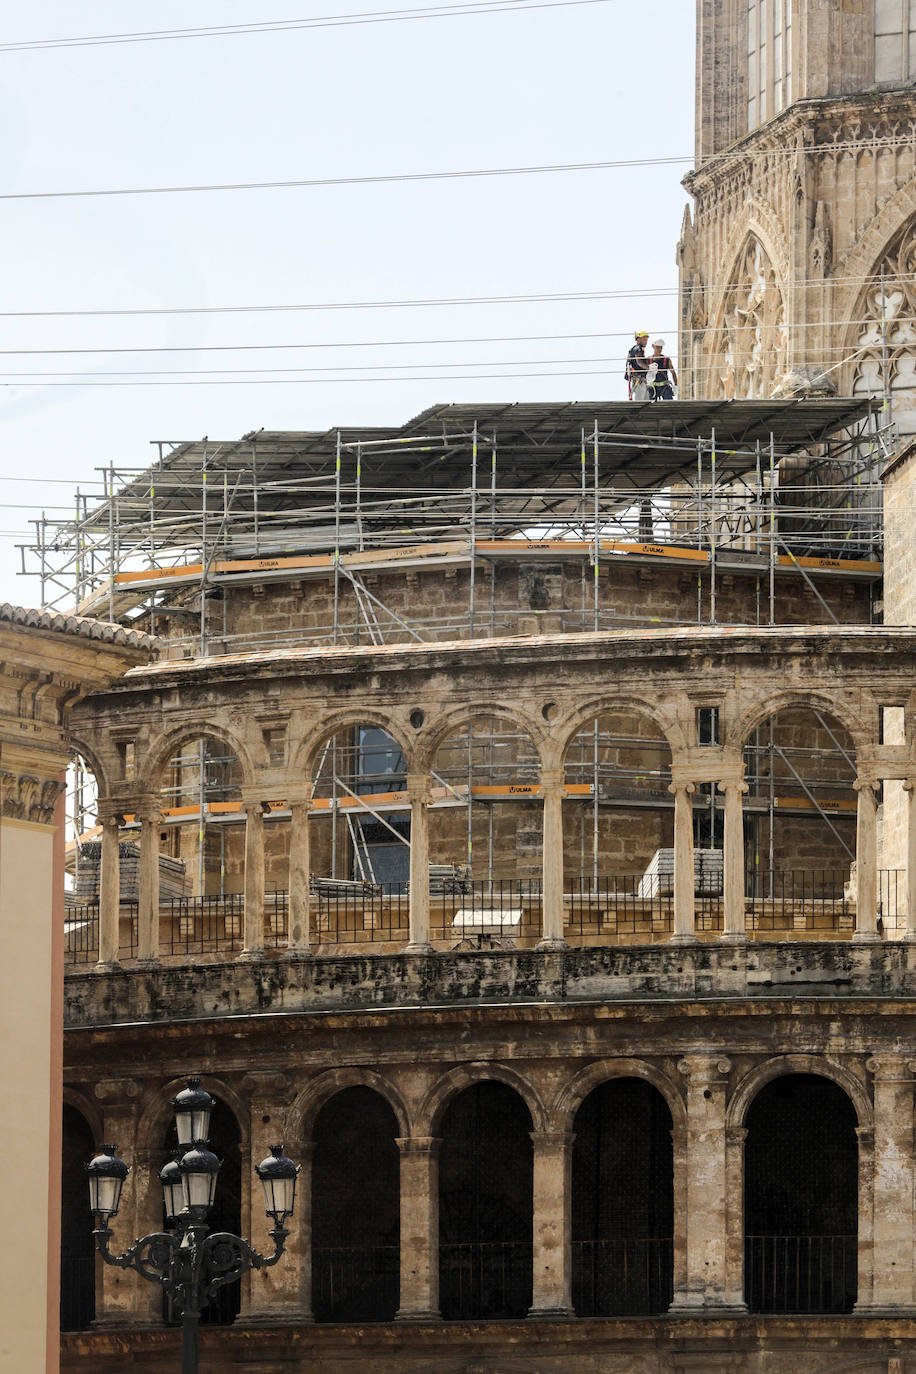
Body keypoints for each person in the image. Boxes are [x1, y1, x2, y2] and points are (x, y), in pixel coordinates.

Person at [625, 330, 650, 400]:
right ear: (638, 339)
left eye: (646, 340)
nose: (646, 341)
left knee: (646, 400)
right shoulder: (637, 349)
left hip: (641, 379)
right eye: (644, 339)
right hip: (638, 379)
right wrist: (649, 368)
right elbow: (639, 362)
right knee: (640, 401)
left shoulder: (636, 349)